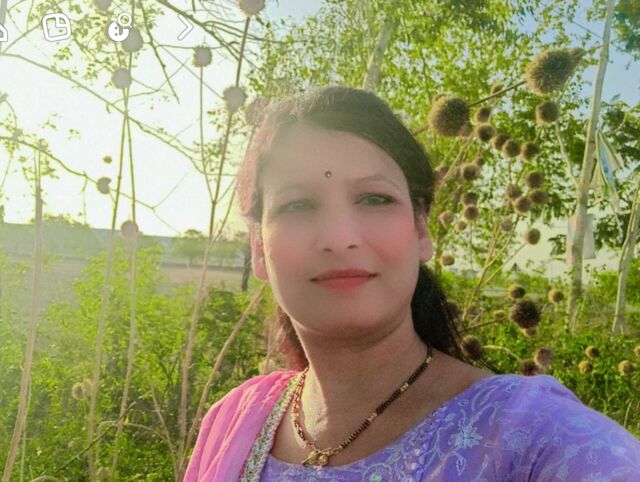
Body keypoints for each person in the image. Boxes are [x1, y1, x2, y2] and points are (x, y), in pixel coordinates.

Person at [184, 87, 640, 481]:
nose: (340, 238)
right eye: (298, 205)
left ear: (421, 229)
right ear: (258, 247)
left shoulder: (540, 438)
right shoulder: (235, 421)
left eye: (374, 198)